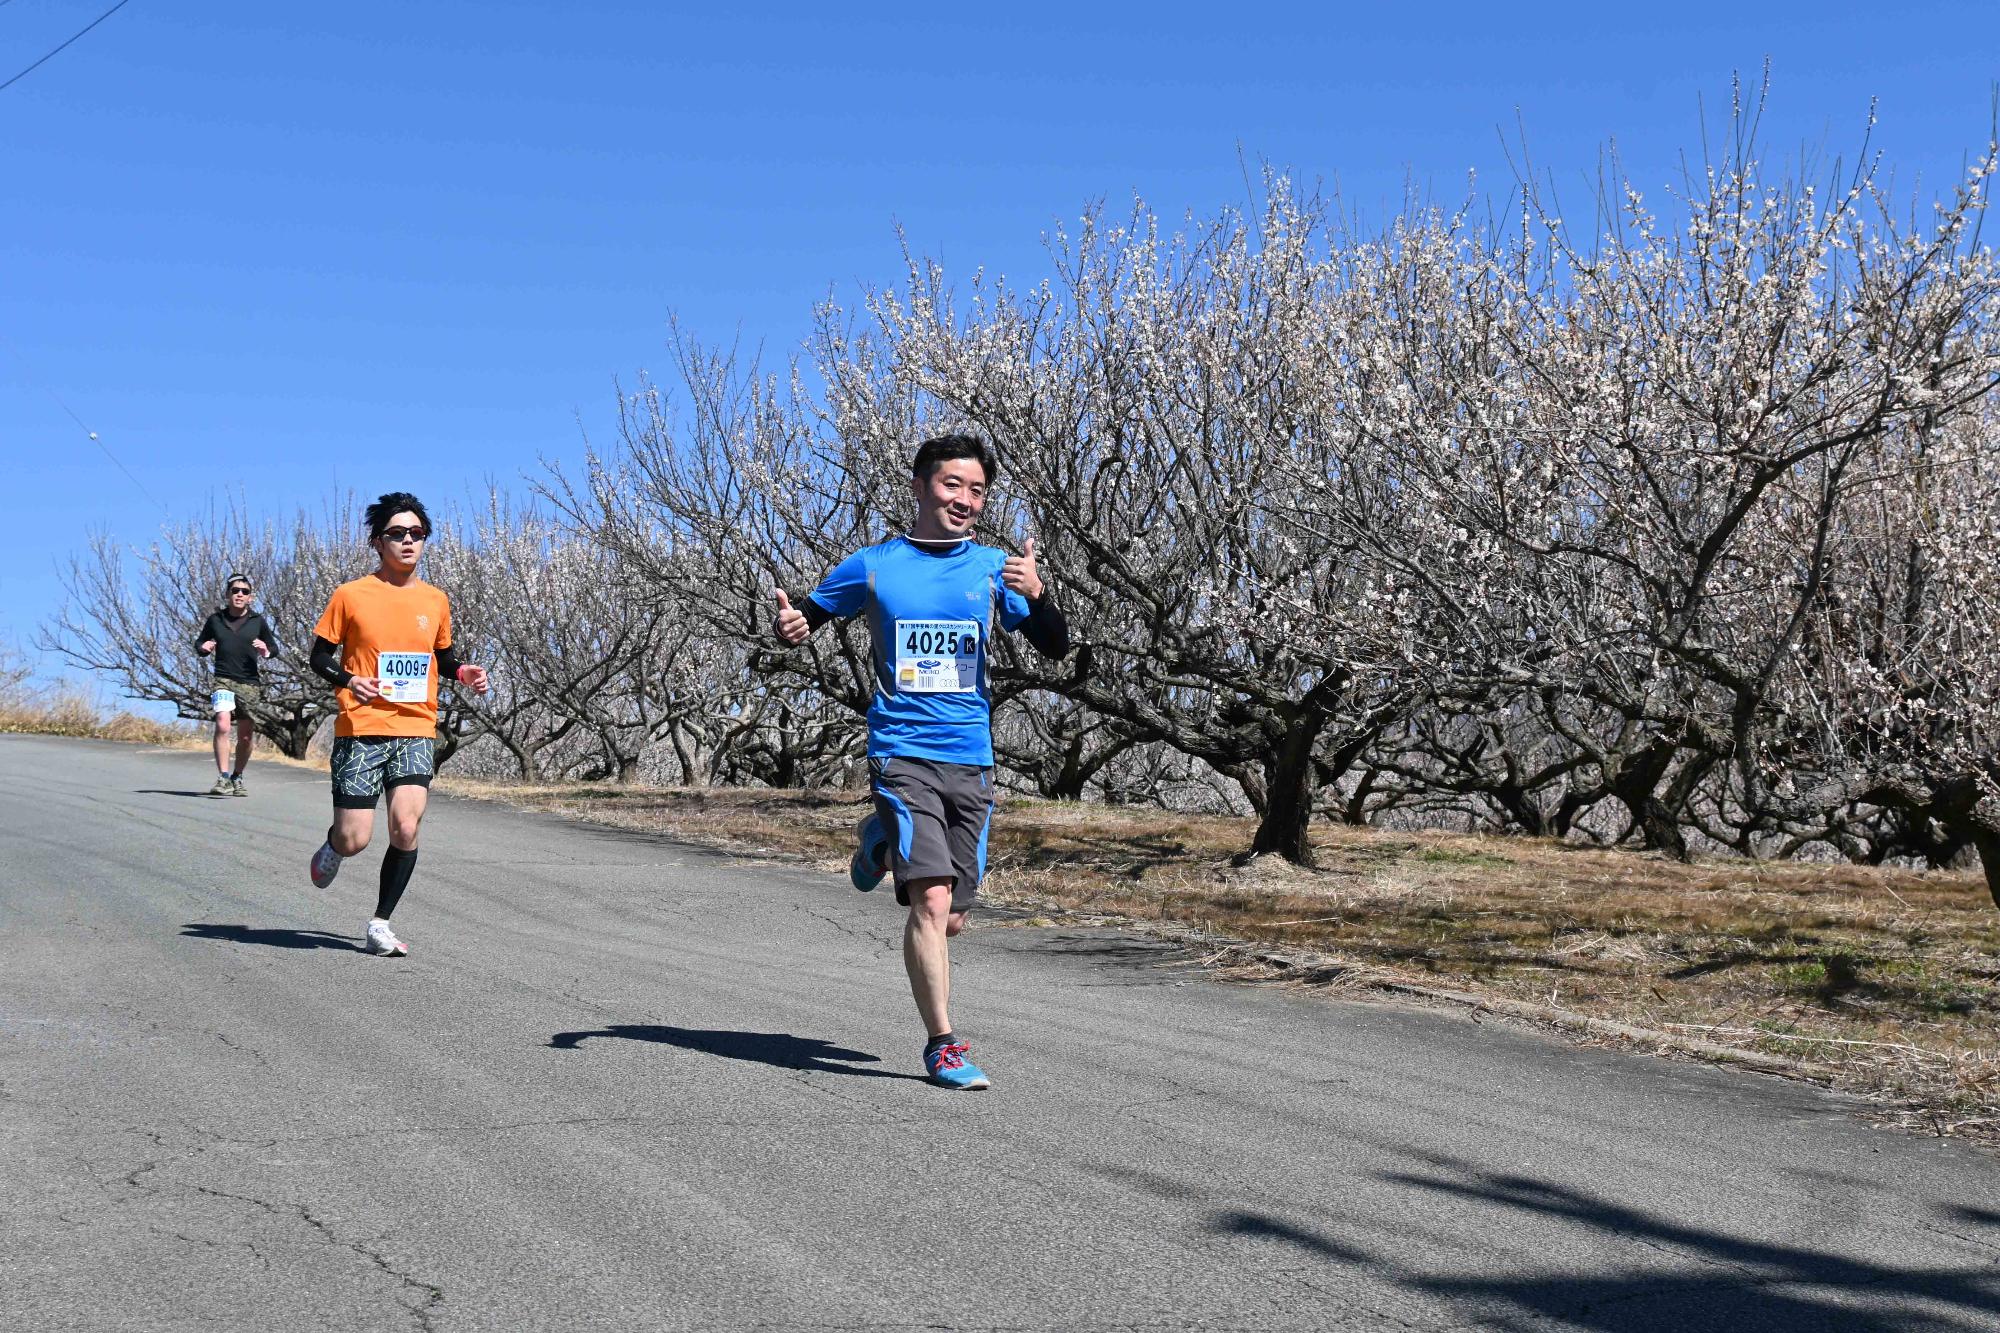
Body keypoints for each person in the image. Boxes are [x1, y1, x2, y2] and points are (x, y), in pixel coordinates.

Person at [773, 433, 1070, 1089]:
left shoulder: (995, 567)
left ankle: (879, 843)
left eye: (976, 490)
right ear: (918, 486)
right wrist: (791, 628)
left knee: (953, 914)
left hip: (972, 757)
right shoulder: (874, 565)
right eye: (950, 485)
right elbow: (808, 616)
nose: (964, 499)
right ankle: (943, 1045)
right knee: (931, 900)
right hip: (901, 751)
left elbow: (1055, 646)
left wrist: (1041, 594)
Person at [304, 493, 489, 957]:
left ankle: (380, 923)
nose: (408, 541)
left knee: (406, 827)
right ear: (377, 541)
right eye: (397, 534)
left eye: (416, 534)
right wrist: (349, 680)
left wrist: (463, 672)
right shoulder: (351, 595)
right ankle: (333, 846)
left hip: (415, 727)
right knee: (355, 838)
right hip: (361, 726)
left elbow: (442, 658)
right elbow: (318, 656)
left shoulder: (436, 600)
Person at [194, 574, 275, 797]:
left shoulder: (257, 621)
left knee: (246, 736)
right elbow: (199, 643)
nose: (240, 594)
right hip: (223, 679)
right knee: (223, 724)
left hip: (249, 682)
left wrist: (264, 650)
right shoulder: (215, 620)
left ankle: (237, 776)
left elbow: (273, 648)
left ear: (251, 597)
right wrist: (205, 647)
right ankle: (223, 777)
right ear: (228, 594)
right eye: (235, 590)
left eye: (245, 592)